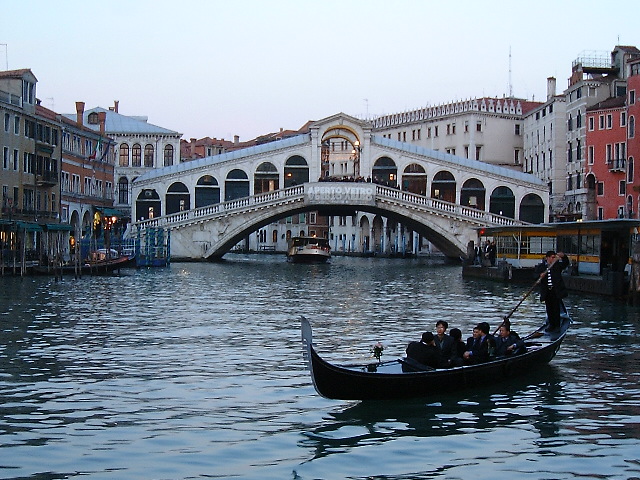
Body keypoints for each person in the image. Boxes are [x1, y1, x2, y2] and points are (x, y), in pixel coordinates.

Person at [535, 250, 570, 332]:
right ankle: (551, 325)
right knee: (549, 309)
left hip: (555, 290)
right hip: (547, 291)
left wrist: (564, 256)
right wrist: (540, 275)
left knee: (556, 309)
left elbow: (566, 263)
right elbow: (534, 276)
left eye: (554, 257)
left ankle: (557, 326)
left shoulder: (557, 266)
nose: (554, 259)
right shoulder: (541, 267)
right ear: (547, 258)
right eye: (552, 257)